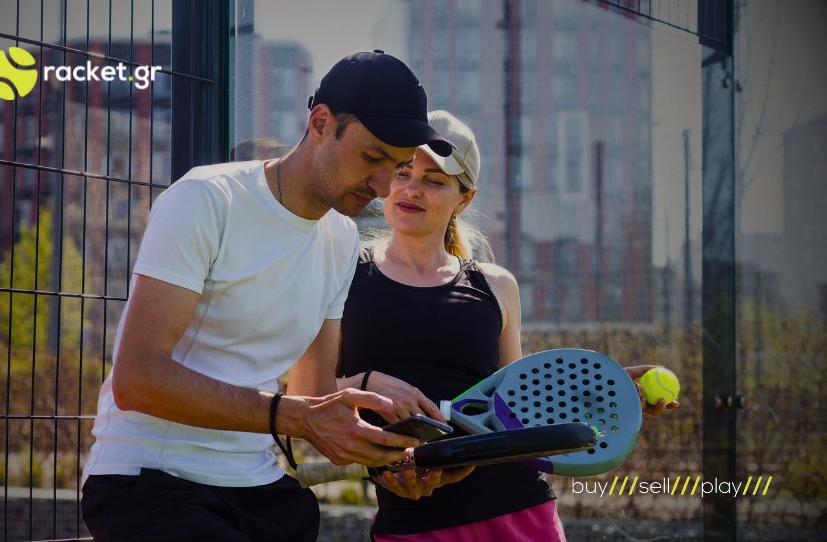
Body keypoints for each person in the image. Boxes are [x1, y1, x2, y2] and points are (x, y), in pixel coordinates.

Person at [80, 50, 454, 542]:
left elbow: (311, 393)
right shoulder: (208, 200)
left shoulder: (340, 240)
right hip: (149, 484)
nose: (384, 185)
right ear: (320, 122)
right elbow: (137, 378)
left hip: (259, 488)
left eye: (399, 165)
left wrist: (389, 455)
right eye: (372, 157)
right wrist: (294, 415)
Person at [338, 110, 677, 541]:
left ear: (464, 198)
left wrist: (607, 385)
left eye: (434, 180)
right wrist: (367, 383)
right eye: (403, 172)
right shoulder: (344, 274)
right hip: (409, 519)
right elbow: (309, 393)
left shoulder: (496, 286)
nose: (412, 189)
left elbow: (516, 403)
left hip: (518, 512)